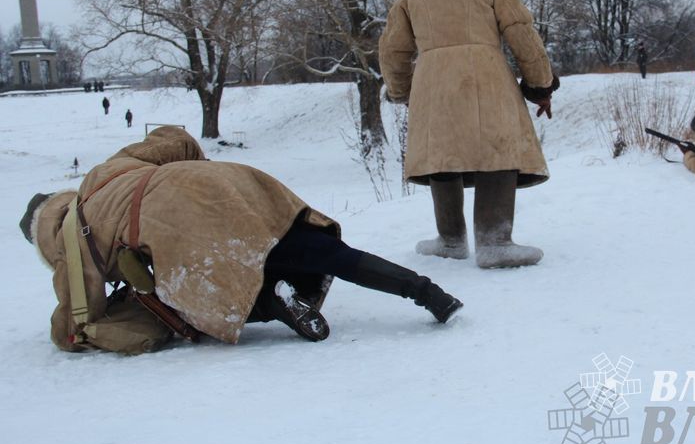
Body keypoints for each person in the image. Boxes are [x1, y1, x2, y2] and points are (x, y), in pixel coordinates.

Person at [19, 127, 463, 355]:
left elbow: (77, 319)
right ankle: (427, 293)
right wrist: (200, 176)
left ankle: (271, 300)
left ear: (43, 237)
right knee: (311, 249)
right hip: (223, 183)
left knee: (196, 298)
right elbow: (175, 138)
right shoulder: (105, 173)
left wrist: (66, 331)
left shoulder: (71, 245)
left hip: (179, 224)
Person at [379, 0, 558, 270]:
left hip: (431, 82)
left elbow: (392, 49)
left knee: (441, 153)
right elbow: (523, 35)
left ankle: (450, 240)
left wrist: (402, 91)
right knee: (496, 147)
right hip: (486, 75)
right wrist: (540, 87)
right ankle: (495, 242)